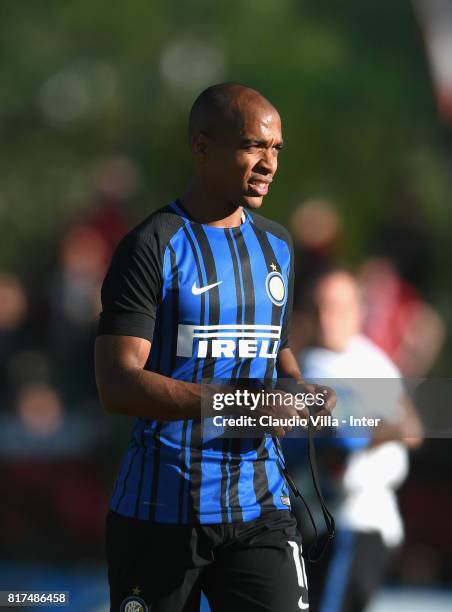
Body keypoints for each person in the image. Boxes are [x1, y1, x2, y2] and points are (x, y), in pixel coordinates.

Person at [95, 83, 335, 612]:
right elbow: (117, 384)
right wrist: (240, 404)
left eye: (276, 149)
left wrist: (301, 389)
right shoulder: (151, 245)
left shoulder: (277, 245)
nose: (270, 164)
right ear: (202, 146)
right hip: (161, 509)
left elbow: (277, 348)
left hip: (261, 508)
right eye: (254, 146)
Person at [292, 267, 422, 612]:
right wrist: (380, 422)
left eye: (338, 306)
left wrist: (372, 424)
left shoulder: (372, 359)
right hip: (328, 521)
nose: (327, 317)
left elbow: (412, 428)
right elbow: (343, 434)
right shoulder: (309, 366)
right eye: (320, 306)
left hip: (366, 519)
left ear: (358, 311)